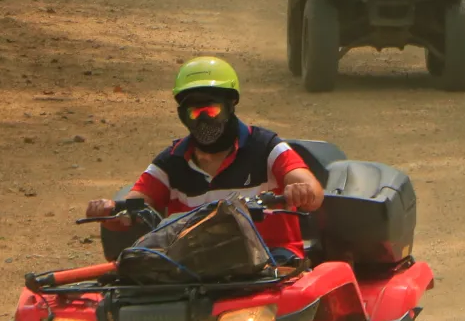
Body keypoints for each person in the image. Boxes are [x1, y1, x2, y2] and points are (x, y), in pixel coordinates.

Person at [85, 57, 324, 228]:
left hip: (274, 268)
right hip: (192, 272)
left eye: (211, 109)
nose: (203, 119)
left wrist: (302, 190)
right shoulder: (170, 162)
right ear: (182, 115)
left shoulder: (267, 147)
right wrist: (110, 211)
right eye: (194, 112)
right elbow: (132, 210)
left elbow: (314, 194)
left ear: (231, 106)